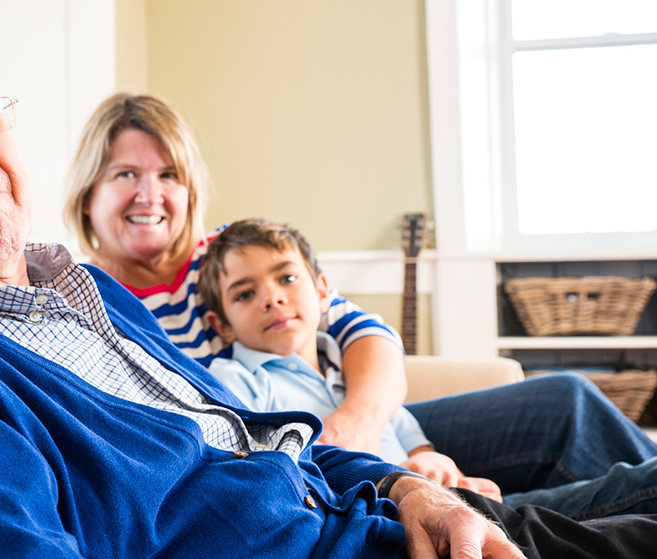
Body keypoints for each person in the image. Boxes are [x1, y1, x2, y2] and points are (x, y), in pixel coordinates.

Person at [0, 33, 657, 559]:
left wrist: (403, 484)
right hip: (344, 540)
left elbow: (263, 422)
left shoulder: (86, 289)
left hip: (370, 504)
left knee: (587, 428)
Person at [64, 92, 657, 511]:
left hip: (352, 427)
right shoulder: (84, 300)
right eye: (124, 175)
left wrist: (363, 428)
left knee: (567, 400)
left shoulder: (230, 256)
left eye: (168, 174)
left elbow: (362, 333)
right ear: (89, 192)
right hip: (281, 465)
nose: (150, 194)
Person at [199, 217, 657, 519]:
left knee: (631, 490)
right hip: (402, 518)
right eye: (245, 293)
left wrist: (435, 464)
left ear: (323, 292)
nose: (272, 297)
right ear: (222, 325)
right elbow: (261, 473)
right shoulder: (235, 381)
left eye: (286, 277)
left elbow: (419, 445)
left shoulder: (358, 378)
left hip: (455, 500)